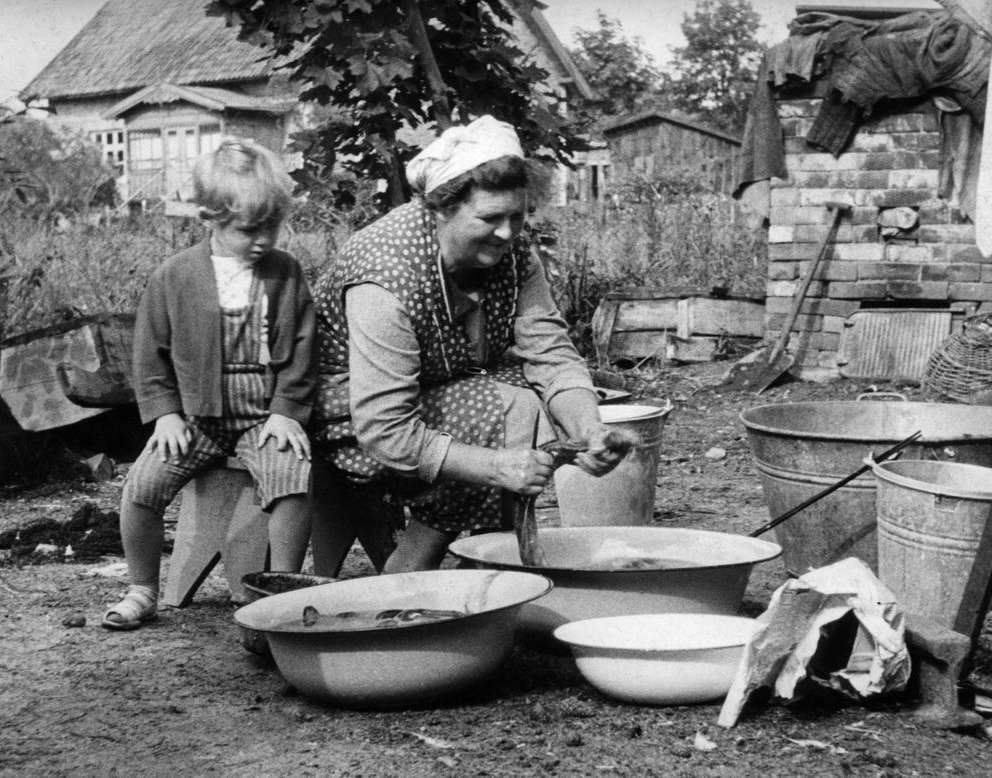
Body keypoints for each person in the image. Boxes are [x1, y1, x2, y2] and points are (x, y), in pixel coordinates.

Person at [310, 115, 632, 573]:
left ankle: (490, 560)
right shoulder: (385, 274)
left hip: (444, 382)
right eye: (489, 218)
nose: (507, 232)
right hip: (346, 409)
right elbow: (384, 428)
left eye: (517, 216)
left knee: (521, 401)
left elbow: (551, 353)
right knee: (500, 409)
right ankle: (415, 566)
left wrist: (588, 431)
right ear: (442, 208)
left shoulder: (514, 254)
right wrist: (497, 465)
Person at [103, 139, 316, 630]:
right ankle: (142, 588)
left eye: (272, 226)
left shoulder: (284, 274)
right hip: (197, 415)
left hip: (263, 415)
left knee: (292, 481)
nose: (263, 239)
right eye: (248, 229)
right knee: (140, 488)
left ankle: (278, 591)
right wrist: (166, 414)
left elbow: (302, 348)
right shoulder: (174, 276)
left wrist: (286, 410)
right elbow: (150, 352)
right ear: (209, 218)